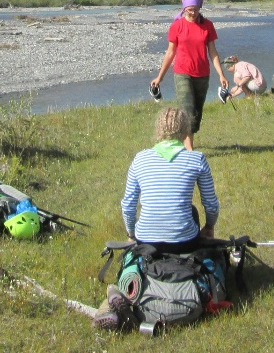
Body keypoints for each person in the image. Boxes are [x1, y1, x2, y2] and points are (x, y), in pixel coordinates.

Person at [94, 108, 220, 331]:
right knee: (191, 211)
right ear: (185, 132)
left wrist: (131, 233)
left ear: (158, 131)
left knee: (134, 256)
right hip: (185, 241)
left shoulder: (140, 159)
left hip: (147, 240)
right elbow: (210, 203)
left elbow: (128, 205)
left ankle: (118, 298)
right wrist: (209, 227)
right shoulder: (196, 159)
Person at [150, 0, 229, 149]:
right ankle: (189, 151)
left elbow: (212, 52)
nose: (192, 13)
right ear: (184, 9)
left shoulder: (207, 26)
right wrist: (160, 77)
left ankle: (183, 141)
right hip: (182, 72)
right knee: (187, 109)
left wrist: (221, 74)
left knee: (197, 112)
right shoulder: (177, 26)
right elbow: (170, 52)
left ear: (200, 8)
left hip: (202, 74)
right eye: (189, 10)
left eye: (196, 9)